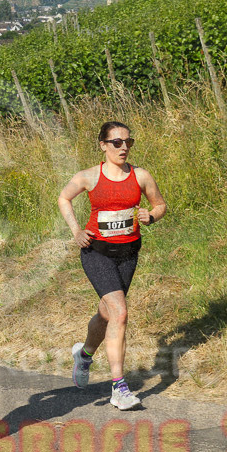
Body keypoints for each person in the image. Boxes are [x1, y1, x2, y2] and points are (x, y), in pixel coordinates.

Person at [57, 121, 167, 410]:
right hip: (97, 252)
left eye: (128, 142)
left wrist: (151, 216)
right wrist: (76, 232)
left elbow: (160, 205)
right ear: (103, 145)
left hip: (128, 253)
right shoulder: (89, 176)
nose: (123, 147)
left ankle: (85, 354)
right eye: (117, 142)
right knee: (120, 312)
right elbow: (64, 198)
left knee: (107, 314)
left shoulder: (141, 176)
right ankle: (119, 388)